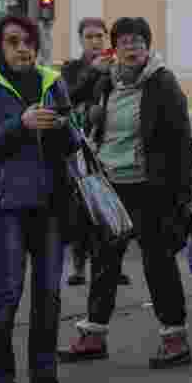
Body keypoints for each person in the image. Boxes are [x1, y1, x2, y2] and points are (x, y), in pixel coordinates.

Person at [59, 17, 192, 369]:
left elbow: (181, 143)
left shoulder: (162, 83)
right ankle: (93, 336)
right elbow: (65, 98)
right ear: (114, 48)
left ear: (147, 47)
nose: (131, 49)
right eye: (124, 42)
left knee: (157, 262)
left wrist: (183, 196)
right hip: (109, 184)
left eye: (138, 42)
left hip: (150, 187)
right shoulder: (106, 81)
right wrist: (92, 74)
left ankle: (175, 338)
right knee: (104, 261)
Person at [0, 14, 79, 383]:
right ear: (0, 47)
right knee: (8, 288)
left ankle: (43, 374)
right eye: (13, 41)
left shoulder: (52, 82)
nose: (22, 48)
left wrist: (62, 126)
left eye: (28, 41)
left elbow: (74, 139)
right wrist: (21, 123)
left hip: (51, 202)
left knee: (49, 292)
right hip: (7, 204)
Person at [61, 17, 124, 287]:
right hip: (79, 144)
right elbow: (67, 98)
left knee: (110, 207)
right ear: (81, 40)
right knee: (81, 207)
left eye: (100, 36)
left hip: (109, 142)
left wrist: (110, 72)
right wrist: (93, 73)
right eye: (90, 37)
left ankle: (112, 266)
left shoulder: (117, 66)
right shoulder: (72, 68)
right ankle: (77, 266)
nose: (96, 41)